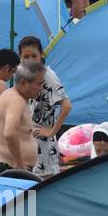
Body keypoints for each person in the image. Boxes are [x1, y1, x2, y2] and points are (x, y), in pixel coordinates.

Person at [18, 36, 71, 175]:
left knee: (42, 186)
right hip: (29, 143)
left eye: (34, 56)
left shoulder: (48, 77)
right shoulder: (26, 75)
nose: (30, 60)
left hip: (44, 146)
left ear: (41, 55)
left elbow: (67, 106)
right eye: (26, 56)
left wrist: (51, 131)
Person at [0, 61, 45, 172]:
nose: (41, 88)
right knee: (33, 191)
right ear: (23, 83)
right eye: (39, 84)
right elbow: (9, 133)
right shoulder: (16, 101)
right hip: (13, 169)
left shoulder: (10, 95)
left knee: (34, 190)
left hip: (11, 167)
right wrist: (20, 165)